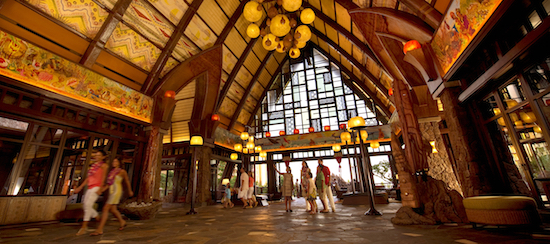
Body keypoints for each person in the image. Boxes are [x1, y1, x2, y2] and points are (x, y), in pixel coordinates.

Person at [91, 157, 133, 236]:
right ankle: (122, 222)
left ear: (119, 163)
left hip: (117, 191)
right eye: (113, 161)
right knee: (113, 210)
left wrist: (130, 190)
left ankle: (100, 229)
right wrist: (102, 190)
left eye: (116, 161)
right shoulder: (112, 172)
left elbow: (127, 181)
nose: (114, 163)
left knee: (105, 208)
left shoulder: (122, 171)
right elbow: (109, 184)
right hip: (111, 191)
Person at [74, 150, 109, 236]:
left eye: (99, 155)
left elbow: (104, 178)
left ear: (103, 157)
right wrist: (80, 187)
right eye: (96, 155)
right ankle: (96, 216)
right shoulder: (93, 166)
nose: (96, 156)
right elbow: (88, 178)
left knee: (88, 205)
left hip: (97, 187)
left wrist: (100, 189)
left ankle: (84, 227)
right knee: (85, 204)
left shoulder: (104, 166)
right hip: (90, 187)